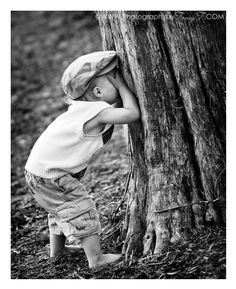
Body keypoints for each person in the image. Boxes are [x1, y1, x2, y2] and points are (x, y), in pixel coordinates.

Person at [24, 51, 140, 269]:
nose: (119, 80)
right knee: (81, 208)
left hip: (37, 172)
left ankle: (57, 252)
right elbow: (132, 114)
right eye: (114, 78)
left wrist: (116, 87)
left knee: (60, 211)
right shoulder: (97, 111)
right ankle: (96, 259)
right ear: (97, 91)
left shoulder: (81, 109)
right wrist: (125, 87)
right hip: (54, 176)